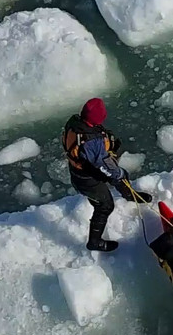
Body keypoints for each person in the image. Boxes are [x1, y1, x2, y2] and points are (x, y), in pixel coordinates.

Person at [62, 98, 151, 252]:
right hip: (88, 180)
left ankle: (130, 195)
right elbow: (102, 166)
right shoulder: (91, 141)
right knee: (105, 205)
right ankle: (94, 242)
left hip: (78, 171)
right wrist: (117, 174)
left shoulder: (75, 123)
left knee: (119, 177)